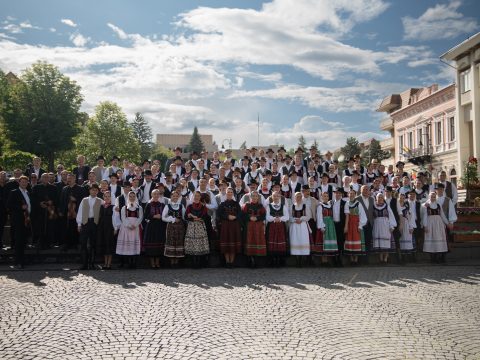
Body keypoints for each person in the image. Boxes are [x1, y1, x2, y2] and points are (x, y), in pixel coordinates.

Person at [76, 184, 104, 270]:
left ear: (98, 191)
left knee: (93, 244)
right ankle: (84, 264)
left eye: (96, 190)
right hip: (85, 222)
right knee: (83, 244)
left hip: (95, 223)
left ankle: (92, 264)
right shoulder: (84, 200)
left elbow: (108, 206)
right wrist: (79, 224)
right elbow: (80, 211)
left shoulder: (100, 201)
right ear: (89, 191)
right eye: (92, 190)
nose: (94, 191)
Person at [6, 176, 31, 269]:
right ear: (19, 183)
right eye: (22, 182)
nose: (24, 183)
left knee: (24, 241)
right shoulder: (14, 192)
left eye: (26, 182)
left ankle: (22, 260)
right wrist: (20, 207)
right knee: (18, 241)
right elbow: (9, 205)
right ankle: (18, 261)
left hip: (26, 220)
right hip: (18, 220)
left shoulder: (28, 192)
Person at [115, 191, 143, 269]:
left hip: (135, 228)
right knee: (126, 245)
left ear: (135, 197)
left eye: (133, 196)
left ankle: (133, 263)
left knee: (133, 244)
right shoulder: (124, 207)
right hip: (126, 228)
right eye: (130, 196)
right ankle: (126, 262)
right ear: (128, 197)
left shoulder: (139, 207)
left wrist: (135, 225)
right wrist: (129, 225)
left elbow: (140, 217)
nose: (132, 198)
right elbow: (123, 217)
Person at [422, 191, 451, 263]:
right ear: (429, 197)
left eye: (434, 197)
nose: (433, 198)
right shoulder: (426, 206)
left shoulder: (438, 205)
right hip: (430, 223)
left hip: (438, 224)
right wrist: (425, 226)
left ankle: (438, 257)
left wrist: (447, 223)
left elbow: (442, 215)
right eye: (431, 197)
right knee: (431, 239)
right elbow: (424, 216)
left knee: (438, 238)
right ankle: (432, 258)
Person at [143, 188, 168, 269]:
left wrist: (161, 217)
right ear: (151, 195)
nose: (156, 195)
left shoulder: (162, 205)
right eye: (154, 194)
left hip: (160, 227)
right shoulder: (148, 204)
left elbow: (165, 215)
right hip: (151, 227)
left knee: (159, 245)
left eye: (158, 194)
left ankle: (157, 262)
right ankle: (152, 263)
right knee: (152, 245)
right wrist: (154, 216)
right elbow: (145, 216)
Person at [217, 187, 242, 268]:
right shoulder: (222, 204)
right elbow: (219, 214)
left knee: (233, 243)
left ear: (233, 194)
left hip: (234, 225)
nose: (229, 193)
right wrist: (227, 216)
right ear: (226, 193)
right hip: (225, 226)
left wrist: (234, 217)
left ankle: (232, 261)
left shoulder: (236, 204)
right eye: (228, 192)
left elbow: (240, 214)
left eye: (231, 192)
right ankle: (227, 262)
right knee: (226, 243)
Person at [184, 191, 210, 268]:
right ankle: (193, 263)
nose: (196, 197)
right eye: (195, 196)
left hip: (200, 227)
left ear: (200, 197)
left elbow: (205, 217)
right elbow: (186, 217)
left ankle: (199, 263)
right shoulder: (189, 206)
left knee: (199, 244)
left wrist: (195, 218)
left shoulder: (203, 207)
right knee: (192, 244)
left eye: (198, 196)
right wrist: (193, 219)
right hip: (192, 227)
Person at [242, 191, 267, 268]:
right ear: (250, 197)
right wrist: (250, 217)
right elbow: (243, 214)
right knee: (249, 240)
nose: (255, 197)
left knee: (257, 241)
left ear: (258, 197)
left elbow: (264, 215)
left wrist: (257, 218)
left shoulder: (261, 206)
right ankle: (250, 261)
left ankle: (256, 261)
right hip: (249, 226)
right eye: (253, 196)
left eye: (256, 196)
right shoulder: (246, 205)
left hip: (258, 227)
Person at [162, 190, 186, 267]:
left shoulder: (181, 206)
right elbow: (163, 218)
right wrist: (172, 219)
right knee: (171, 242)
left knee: (179, 242)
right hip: (171, 227)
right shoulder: (167, 206)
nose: (175, 197)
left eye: (176, 196)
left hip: (180, 227)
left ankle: (177, 262)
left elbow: (184, 216)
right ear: (171, 197)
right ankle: (172, 262)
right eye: (173, 196)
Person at [372, 193, 397, 264]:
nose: (380, 198)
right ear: (376, 198)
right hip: (377, 225)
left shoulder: (386, 206)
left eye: (381, 197)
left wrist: (392, 226)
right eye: (378, 197)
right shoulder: (373, 206)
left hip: (385, 225)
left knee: (386, 242)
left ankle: (385, 258)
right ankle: (381, 259)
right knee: (380, 243)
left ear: (383, 198)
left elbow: (391, 216)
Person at [266, 190, 289, 267]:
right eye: (274, 196)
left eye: (277, 196)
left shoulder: (283, 206)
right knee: (272, 242)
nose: (276, 197)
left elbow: (287, 217)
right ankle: (272, 260)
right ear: (272, 197)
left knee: (281, 242)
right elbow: (267, 217)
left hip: (281, 227)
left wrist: (280, 219)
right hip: (272, 226)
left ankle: (280, 260)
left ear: (279, 197)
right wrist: (274, 219)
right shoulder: (268, 206)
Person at [343, 189, 367, 265]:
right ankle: (351, 259)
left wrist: (360, 225)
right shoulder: (346, 204)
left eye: (353, 193)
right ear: (348, 195)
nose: (351, 195)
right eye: (350, 193)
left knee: (356, 239)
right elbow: (347, 215)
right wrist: (346, 226)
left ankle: (355, 260)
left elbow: (362, 215)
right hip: (350, 224)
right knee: (350, 239)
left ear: (355, 195)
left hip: (356, 224)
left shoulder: (358, 203)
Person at [314, 192, 338, 266]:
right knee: (323, 241)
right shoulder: (320, 206)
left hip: (330, 225)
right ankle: (323, 261)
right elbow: (319, 217)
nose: (326, 197)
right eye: (324, 196)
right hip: (324, 224)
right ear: (321, 197)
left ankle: (327, 260)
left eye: (327, 196)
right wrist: (322, 227)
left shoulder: (330, 205)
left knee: (328, 242)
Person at [289, 192, 311, 267]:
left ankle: (301, 260)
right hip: (294, 226)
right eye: (297, 196)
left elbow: (308, 216)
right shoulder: (292, 206)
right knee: (295, 240)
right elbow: (289, 217)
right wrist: (295, 220)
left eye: (299, 196)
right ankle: (297, 261)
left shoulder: (305, 206)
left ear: (302, 197)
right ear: (294, 198)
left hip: (303, 226)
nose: (298, 198)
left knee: (302, 240)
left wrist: (301, 219)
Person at [97, 191, 116, 270]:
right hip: (102, 228)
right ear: (103, 197)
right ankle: (105, 263)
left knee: (110, 244)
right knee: (104, 245)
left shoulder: (114, 207)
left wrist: (115, 228)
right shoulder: (101, 206)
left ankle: (109, 264)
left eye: (109, 196)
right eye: (105, 196)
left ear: (111, 198)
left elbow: (115, 218)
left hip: (110, 227)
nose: (107, 198)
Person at [396, 192, 416, 260]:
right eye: (400, 197)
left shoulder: (407, 206)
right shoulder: (396, 205)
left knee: (407, 239)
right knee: (400, 239)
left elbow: (411, 217)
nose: (401, 199)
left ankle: (407, 256)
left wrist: (411, 227)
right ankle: (401, 257)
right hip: (398, 223)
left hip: (406, 224)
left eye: (403, 198)